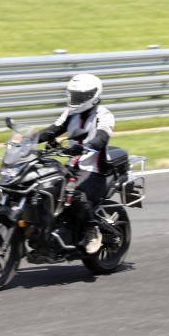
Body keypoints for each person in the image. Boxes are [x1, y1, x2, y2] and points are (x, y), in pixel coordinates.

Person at [36, 73, 115, 255]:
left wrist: (88, 145)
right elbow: (52, 130)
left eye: (79, 96)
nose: (75, 99)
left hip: (94, 171)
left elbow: (102, 137)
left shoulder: (104, 115)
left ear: (91, 96)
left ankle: (91, 230)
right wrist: (27, 140)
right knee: (44, 184)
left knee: (74, 194)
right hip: (73, 167)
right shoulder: (70, 113)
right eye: (73, 95)